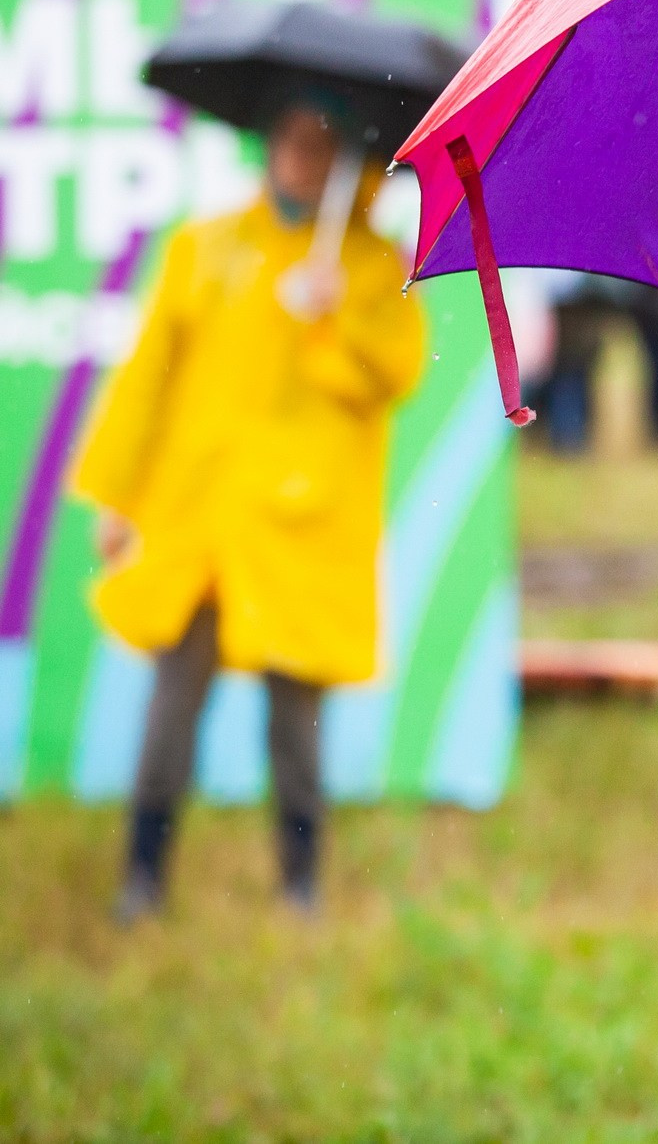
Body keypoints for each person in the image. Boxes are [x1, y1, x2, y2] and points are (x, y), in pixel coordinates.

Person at [75, 96, 427, 919]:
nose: (301, 156)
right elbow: (147, 379)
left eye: (320, 143)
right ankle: (142, 878)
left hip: (302, 526)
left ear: (344, 157)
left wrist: (334, 314)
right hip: (200, 517)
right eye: (290, 138)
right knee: (173, 704)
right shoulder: (205, 247)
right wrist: (119, 495)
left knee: (294, 722)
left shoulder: (374, 264)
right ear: (268, 144)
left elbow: (394, 375)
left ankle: (300, 886)